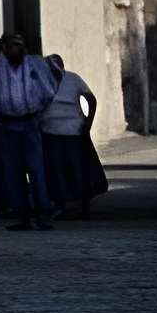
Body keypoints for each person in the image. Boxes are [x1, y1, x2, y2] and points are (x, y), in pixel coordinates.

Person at [0, 33, 58, 230]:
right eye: (14, 45)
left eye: (21, 44)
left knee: (37, 170)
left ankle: (43, 214)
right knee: (12, 172)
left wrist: (39, 114)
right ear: (5, 48)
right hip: (7, 126)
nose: (18, 48)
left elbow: (49, 92)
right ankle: (22, 216)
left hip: (31, 123)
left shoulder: (35, 65)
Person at [41, 53, 108, 218]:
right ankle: (60, 205)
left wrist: (88, 121)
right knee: (56, 170)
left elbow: (90, 98)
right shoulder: (41, 81)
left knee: (79, 169)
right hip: (51, 131)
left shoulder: (72, 79)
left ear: (62, 67)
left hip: (74, 131)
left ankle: (84, 207)